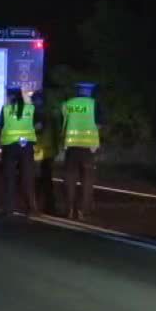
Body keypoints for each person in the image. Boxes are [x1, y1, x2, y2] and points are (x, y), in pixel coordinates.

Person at [61, 82, 102, 221]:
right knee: (87, 181)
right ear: (90, 92)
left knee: (69, 180)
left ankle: (69, 210)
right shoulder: (94, 104)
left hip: (71, 147)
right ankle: (82, 211)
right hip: (88, 148)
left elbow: (63, 123)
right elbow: (99, 125)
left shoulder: (68, 104)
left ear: (77, 91)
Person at [0, 86, 39, 217]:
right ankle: (31, 209)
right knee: (27, 178)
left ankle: (8, 208)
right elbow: (37, 124)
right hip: (26, 147)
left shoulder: (5, 109)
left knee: (9, 178)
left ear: (10, 98)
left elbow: (1, 125)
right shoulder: (30, 109)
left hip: (9, 146)